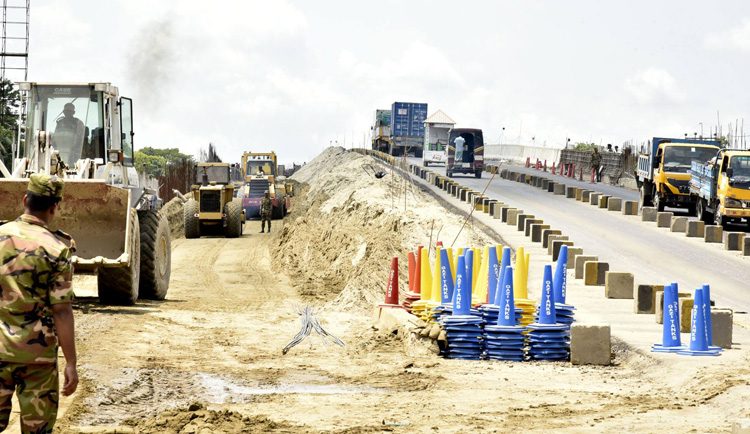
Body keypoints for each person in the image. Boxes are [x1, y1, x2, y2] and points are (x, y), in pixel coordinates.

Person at [0, 173, 78, 433]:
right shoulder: (57, 250)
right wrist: (71, 363)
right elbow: (62, 311)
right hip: (38, 360)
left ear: (25, 200)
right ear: (54, 207)